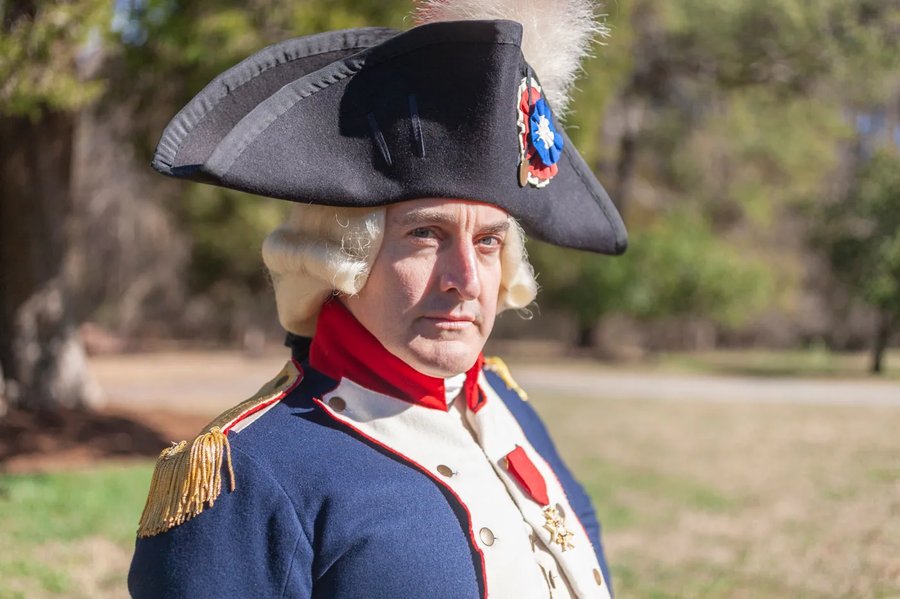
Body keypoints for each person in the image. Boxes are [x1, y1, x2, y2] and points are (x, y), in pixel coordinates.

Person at [128, 2, 627, 597]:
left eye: (489, 241)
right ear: (343, 258)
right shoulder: (247, 474)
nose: (465, 279)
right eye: (425, 235)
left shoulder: (509, 408)